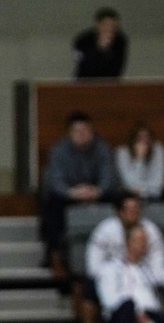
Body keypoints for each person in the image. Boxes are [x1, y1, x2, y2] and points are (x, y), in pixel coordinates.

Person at [40, 112, 118, 261]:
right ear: (70, 133)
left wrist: (97, 191)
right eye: (77, 131)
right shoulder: (58, 151)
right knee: (52, 204)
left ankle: (113, 251)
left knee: (117, 201)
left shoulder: (102, 149)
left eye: (86, 131)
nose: (82, 135)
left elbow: (108, 176)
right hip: (69, 195)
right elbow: (55, 181)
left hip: (96, 194)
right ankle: (54, 254)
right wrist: (73, 193)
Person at [87, 193, 164, 282]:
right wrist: (119, 277)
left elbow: (158, 267)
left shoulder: (151, 231)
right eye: (130, 210)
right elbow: (93, 268)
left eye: (137, 210)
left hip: (143, 279)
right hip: (109, 279)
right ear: (119, 212)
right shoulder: (104, 231)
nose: (134, 214)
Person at [116, 123, 164, 200]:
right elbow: (129, 184)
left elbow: (159, 184)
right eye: (139, 138)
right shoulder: (122, 152)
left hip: (153, 197)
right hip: (130, 198)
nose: (143, 142)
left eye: (147, 138)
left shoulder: (158, 150)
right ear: (132, 140)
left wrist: (142, 192)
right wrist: (139, 160)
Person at [72, 7, 128, 79]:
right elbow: (84, 65)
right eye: (106, 25)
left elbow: (117, 68)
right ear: (98, 25)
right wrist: (100, 49)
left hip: (109, 83)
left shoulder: (120, 41)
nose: (110, 29)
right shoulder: (82, 41)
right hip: (84, 82)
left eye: (114, 26)